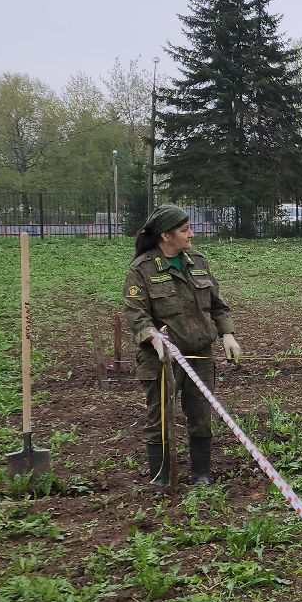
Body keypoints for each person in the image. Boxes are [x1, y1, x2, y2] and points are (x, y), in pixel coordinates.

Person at [124, 204, 241, 486]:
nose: (191, 233)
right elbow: (136, 313)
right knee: (160, 418)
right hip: (161, 359)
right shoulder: (142, 269)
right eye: (184, 229)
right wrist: (153, 337)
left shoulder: (197, 261)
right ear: (166, 236)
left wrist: (227, 334)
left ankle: (201, 475)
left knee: (201, 416)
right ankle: (161, 479)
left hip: (199, 356)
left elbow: (217, 305)